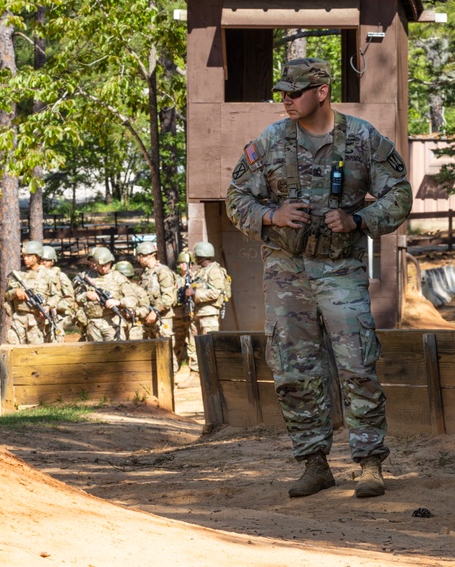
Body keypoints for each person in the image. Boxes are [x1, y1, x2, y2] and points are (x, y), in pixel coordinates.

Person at [225, 58, 412, 498]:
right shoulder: (269, 142)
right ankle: (313, 462)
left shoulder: (363, 140)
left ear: (322, 91)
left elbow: (399, 193)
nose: (286, 100)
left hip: (341, 270)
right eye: (282, 93)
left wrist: (359, 220)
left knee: (357, 364)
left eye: (295, 92)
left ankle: (369, 464)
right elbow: (236, 198)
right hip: (286, 273)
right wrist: (272, 214)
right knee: (293, 369)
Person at [184, 241, 229, 380]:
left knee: (210, 345)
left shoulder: (214, 270)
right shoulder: (201, 272)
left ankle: (213, 376)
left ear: (200, 254)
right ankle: (196, 374)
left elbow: (216, 292)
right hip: (198, 313)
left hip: (208, 315)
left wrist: (194, 293)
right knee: (194, 345)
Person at [75, 247, 140, 341]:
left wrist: (118, 302)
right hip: (93, 324)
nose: (103, 268)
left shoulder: (118, 277)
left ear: (111, 262)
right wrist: (86, 295)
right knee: (94, 355)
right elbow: (76, 298)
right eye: (100, 265)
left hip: (113, 323)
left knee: (117, 352)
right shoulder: (87, 277)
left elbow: (133, 300)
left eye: (106, 264)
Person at [2, 240, 56, 345]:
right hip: (18, 320)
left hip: (36, 322)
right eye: (24, 256)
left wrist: (48, 306)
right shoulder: (18, 275)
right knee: (14, 353)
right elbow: (6, 295)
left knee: (35, 355)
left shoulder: (49, 275)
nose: (25, 259)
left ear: (37, 257)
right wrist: (15, 292)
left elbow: (56, 296)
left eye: (29, 256)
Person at [135, 242, 178, 343]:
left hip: (162, 318)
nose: (138, 260)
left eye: (139, 256)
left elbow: (168, 297)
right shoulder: (145, 273)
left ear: (147, 255)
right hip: (148, 319)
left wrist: (155, 311)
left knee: (166, 352)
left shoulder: (163, 271)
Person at [40, 245, 76, 343]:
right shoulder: (36, 276)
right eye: (41, 260)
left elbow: (70, 299)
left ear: (53, 261)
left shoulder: (60, 277)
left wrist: (55, 306)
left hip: (54, 318)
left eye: (47, 260)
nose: (43, 263)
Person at [114, 260, 148, 341]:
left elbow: (145, 309)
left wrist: (135, 312)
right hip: (117, 325)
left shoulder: (138, 290)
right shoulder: (113, 290)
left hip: (134, 326)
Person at [173, 250, 193, 371]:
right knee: (177, 343)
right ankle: (176, 368)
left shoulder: (196, 277)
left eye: (184, 263)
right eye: (180, 263)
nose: (182, 265)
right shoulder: (174, 279)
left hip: (191, 315)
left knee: (192, 344)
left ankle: (191, 370)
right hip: (178, 315)